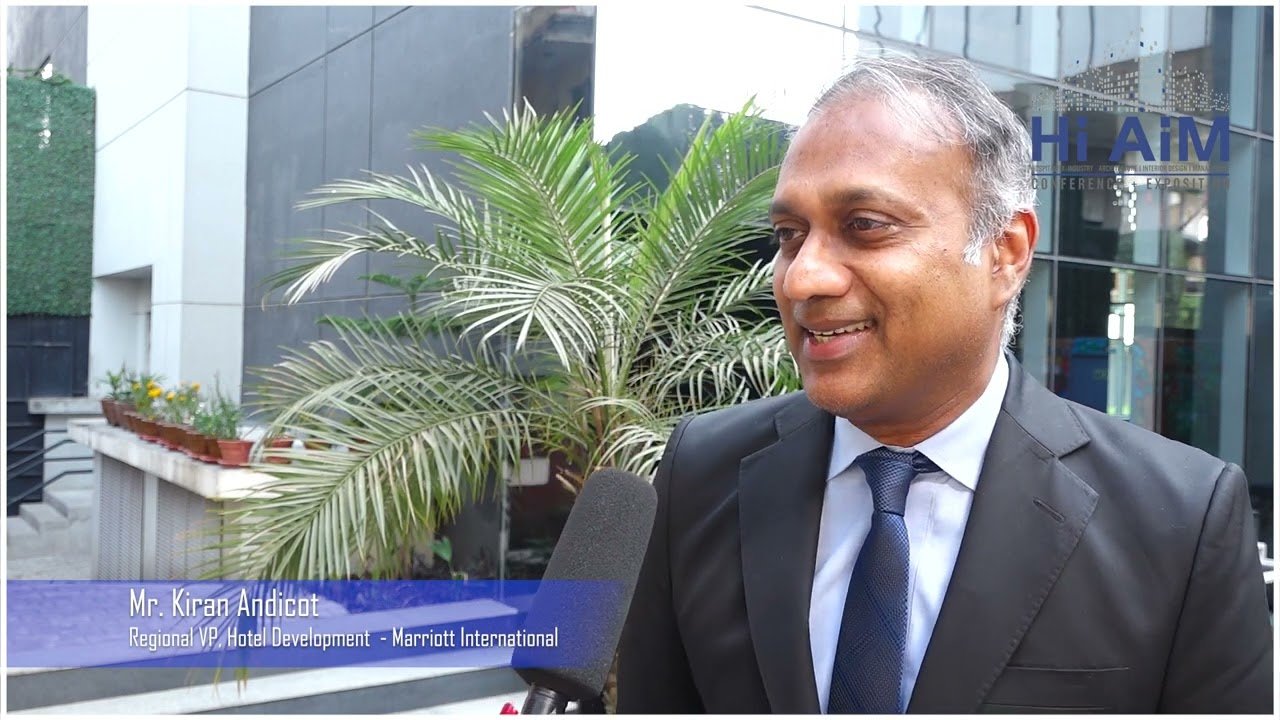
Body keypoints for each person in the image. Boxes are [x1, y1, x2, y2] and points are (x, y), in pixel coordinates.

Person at [617, 53, 1273, 714]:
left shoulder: (1179, 520)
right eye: (790, 234)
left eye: (865, 226)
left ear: (1005, 254)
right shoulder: (702, 470)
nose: (802, 277)